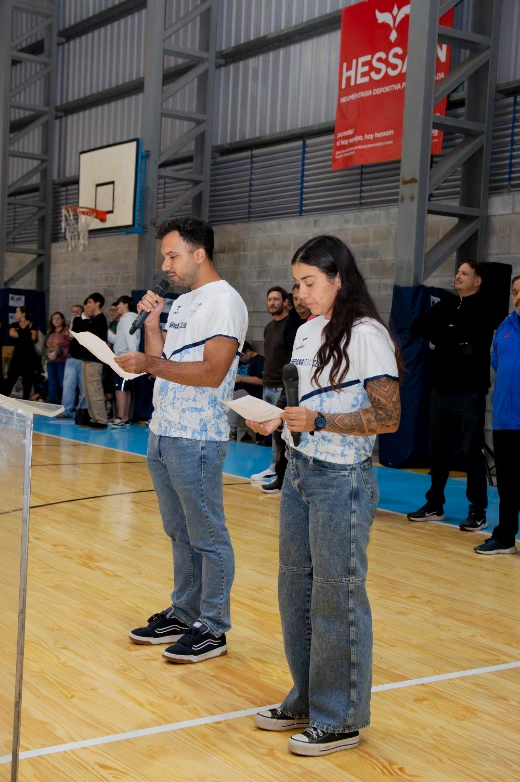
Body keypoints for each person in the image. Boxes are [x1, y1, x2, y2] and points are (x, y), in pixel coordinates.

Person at [245, 235, 400, 756]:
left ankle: (340, 718)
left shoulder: (366, 334)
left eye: (309, 282)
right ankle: (309, 698)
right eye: (296, 283)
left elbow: (388, 416)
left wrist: (322, 421)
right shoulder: (308, 330)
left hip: (342, 480)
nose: (300, 293)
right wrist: (278, 419)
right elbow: (305, 401)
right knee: (296, 591)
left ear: (338, 278)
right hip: (299, 472)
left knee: (337, 595)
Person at [115, 216, 247, 664]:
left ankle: (214, 626)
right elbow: (163, 362)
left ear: (199, 253)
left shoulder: (225, 301)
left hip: (198, 436)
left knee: (208, 535)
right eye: (164, 257)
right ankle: (184, 612)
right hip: (163, 431)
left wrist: (149, 364)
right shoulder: (185, 301)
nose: (165, 265)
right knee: (179, 531)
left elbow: (211, 373)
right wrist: (153, 323)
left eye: (172, 255)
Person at [407, 261, 494, 530]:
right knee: (437, 450)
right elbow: (417, 326)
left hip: (469, 393)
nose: (458, 276)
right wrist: (450, 330)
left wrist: (445, 331)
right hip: (441, 391)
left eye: (464, 273)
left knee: (472, 451)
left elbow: (468, 332)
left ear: (477, 281)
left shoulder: (484, 307)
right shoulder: (447, 304)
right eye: (457, 272)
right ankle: (435, 503)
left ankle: (478, 510)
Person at [475, 275, 520, 555]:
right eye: (515, 292)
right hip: (505, 421)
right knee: (507, 484)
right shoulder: (504, 326)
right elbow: (496, 363)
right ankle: (505, 537)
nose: (518, 297)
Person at [261, 283, 312, 494]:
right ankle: (281, 475)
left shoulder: (312, 326)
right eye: (297, 299)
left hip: (300, 391)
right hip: (283, 387)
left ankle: (290, 477)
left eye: (303, 299)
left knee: (294, 435)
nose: (300, 303)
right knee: (280, 434)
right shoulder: (296, 326)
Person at [250, 286, 290, 484]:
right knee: (272, 433)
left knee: (280, 433)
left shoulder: (290, 326)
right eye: (269, 299)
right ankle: (274, 467)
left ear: (286, 302)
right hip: (267, 385)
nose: (272, 303)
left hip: (282, 388)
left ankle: (279, 470)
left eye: (276, 299)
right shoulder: (268, 327)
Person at [109, 295, 140, 428]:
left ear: (126, 304)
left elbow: (131, 339)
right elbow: (118, 340)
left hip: (125, 359)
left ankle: (121, 417)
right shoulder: (125, 320)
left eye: (119, 304)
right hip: (123, 357)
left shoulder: (128, 319)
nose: (117, 307)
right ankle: (125, 418)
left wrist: (132, 358)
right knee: (124, 388)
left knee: (120, 389)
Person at [80, 293, 109, 429]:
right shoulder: (92, 319)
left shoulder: (100, 319)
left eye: (90, 302)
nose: (88, 305)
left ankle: (101, 419)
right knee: (87, 389)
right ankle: (93, 417)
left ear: (98, 304)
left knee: (94, 388)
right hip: (86, 357)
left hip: (94, 359)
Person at [228, 341, 265, 440]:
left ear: (248, 352)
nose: (240, 359)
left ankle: (231, 431)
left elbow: (262, 381)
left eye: (241, 356)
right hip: (237, 390)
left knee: (234, 397)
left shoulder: (260, 360)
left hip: (252, 393)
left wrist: (241, 379)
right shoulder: (239, 362)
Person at [61, 304, 89, 420]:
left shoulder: (88, 321)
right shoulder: (73, 322)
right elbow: (71, 334)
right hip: (72, 357)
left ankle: (83, 410)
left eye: (78, 311)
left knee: (84, 387)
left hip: (84, 358)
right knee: (68, 386)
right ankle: (66, 410)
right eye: (73, 311)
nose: (75, 313)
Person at [5, 306, 39, 399]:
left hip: (29, 356)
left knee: (27, 380)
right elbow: (12, 333)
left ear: (23, 313)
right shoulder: (14, 324)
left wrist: (19, 333)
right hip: (17, 355)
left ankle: (26, 400)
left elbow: (33, 337)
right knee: (10, 378)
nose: (15, 314)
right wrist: (27, 334)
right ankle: (5, 399)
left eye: (17, 312)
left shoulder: (32, 324)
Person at [44, 312, 71, 404]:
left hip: (62, 360)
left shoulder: (65, 331)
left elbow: (66, 345)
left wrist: (56, 354)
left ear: (62, 320)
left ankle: (65, 403)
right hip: (50, 360)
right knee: (52, 383)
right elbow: (44, 346)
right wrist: (48, 354)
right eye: (54, 318)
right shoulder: (49, 332)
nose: (56, 320)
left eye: (58, 318)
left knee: (63, 383)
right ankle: (52, 403)